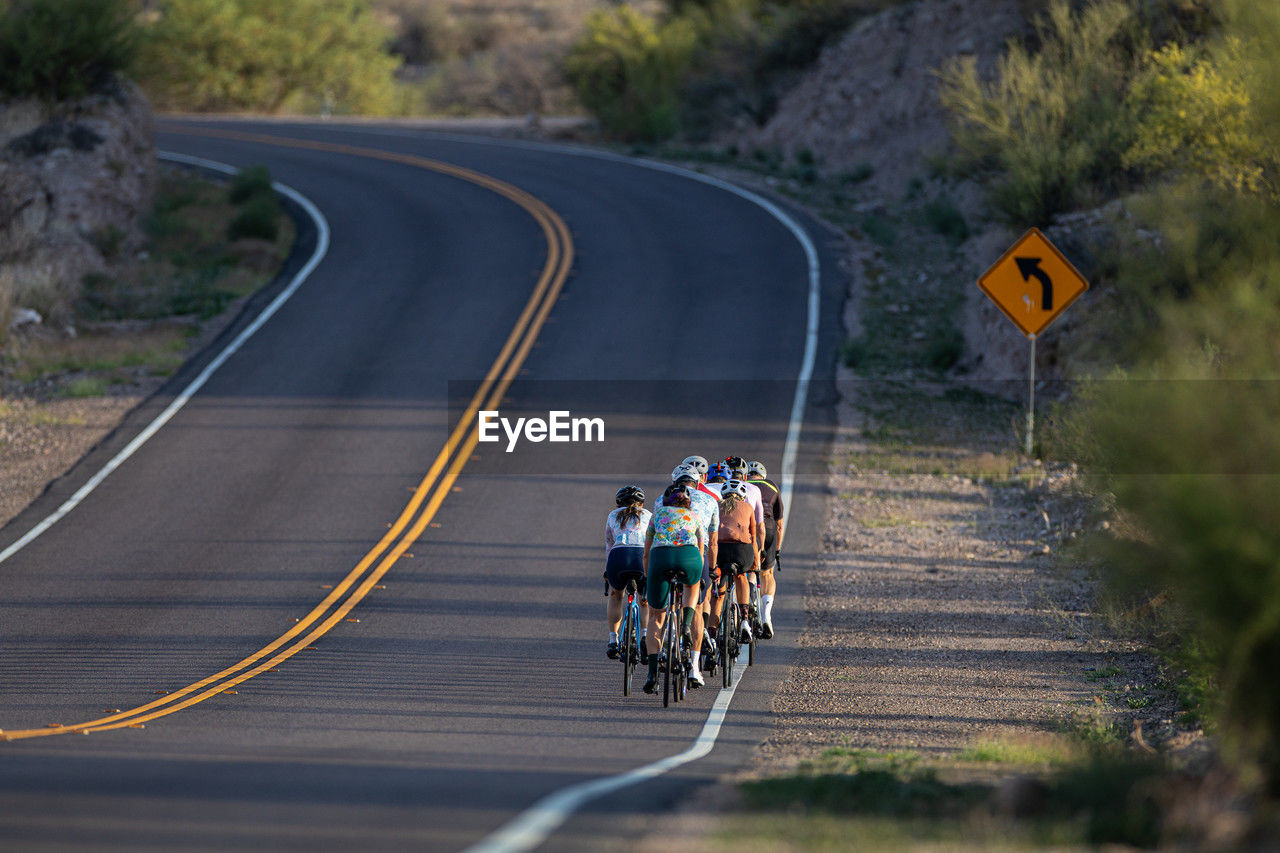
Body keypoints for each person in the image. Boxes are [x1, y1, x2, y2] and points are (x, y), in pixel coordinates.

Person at [642, 484, 706, 693]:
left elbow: (646, 552)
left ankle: (652, 674)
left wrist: (647, 575)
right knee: (692, 585)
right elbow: (702, 548)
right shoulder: (694, 515)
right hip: (689, 557)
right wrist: (697, 571)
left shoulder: (657, 514)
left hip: (661, 558)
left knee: (656, 616)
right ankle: (686, 624)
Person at [708, 479, 760, 647]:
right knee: (742, 576)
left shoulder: (716, 505)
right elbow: (753, 537)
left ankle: (712, 634)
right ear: (742, 496)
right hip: (742, 551)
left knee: (719, 593)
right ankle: (744, 620)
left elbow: (712, 535)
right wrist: (756, 564)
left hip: (721, 550)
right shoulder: (748, 507)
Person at [604, 485, 651, 660]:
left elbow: (609, 544)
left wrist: (607, 570)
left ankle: (613, 640)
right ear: (641, 503)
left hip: (618, 555)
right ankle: (645, 636)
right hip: (641, 555)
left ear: (619, 503)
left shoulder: (612, 515)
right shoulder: (647, 515)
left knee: (616, 595)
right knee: (644, 600)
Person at [746, 461, 785, 639]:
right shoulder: (772, 486)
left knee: (747, 571)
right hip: (768, 527)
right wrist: (776, 550)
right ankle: (766, 614)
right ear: (763, 476)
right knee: (767, 573)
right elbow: (779, 524)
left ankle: (748, 608)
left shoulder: (740, 485)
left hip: (747, 528)